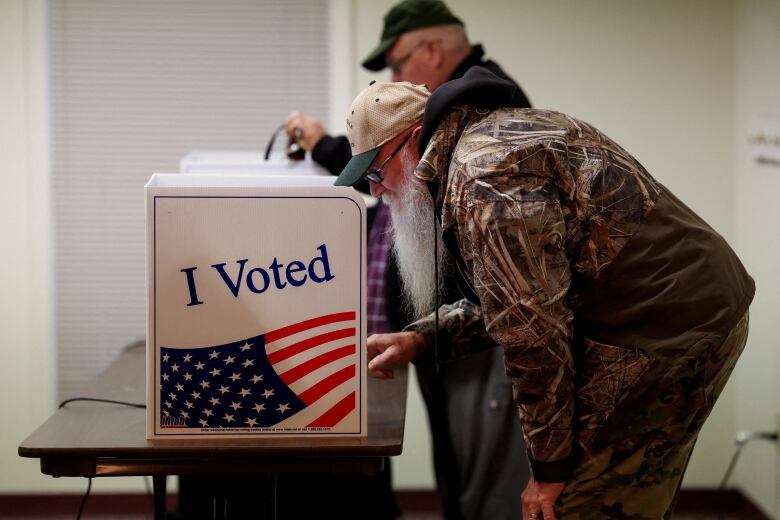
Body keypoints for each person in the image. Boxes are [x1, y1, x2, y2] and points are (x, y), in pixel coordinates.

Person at [333, 69, 755, 520]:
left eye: (376, 171)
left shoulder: (483, 177)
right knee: (623, 493)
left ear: (416, 139)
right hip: (686, 309)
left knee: (576, 505)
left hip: (663, 327)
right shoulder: (494, 136)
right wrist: (422, 337)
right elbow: (521, 294)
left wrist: (550, 470)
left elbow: (532, 332)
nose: (376, 191)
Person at [285, 2, 533, 518]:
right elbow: (394, 174)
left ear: (433, 50)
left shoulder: (483, 111)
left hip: (475, 328)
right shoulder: (444, 119)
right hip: (441, 325)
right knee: (456, 459)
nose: (396, 80)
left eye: (398, 66)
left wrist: (320, 143)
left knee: (481, 469)